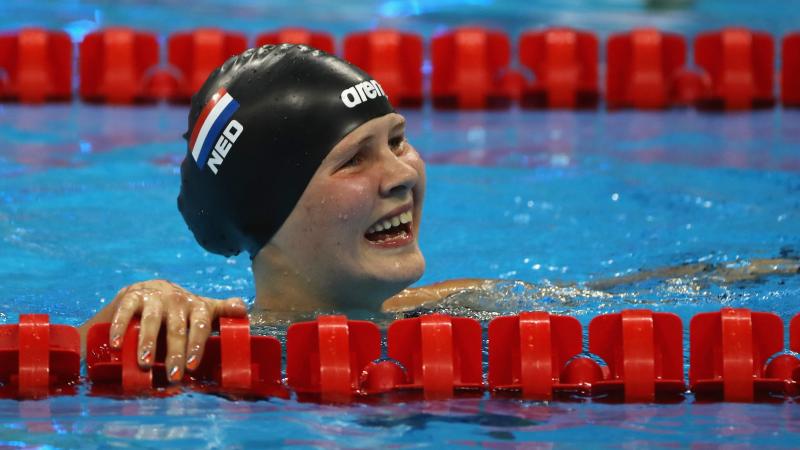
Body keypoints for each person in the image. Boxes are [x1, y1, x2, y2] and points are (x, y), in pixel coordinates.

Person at [78, 44, 800, 383]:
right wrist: (149, 305)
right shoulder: (215, 350)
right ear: (272, 209)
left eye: (398, 141)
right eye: (355, 158)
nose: (403, 176)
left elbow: (649, 294)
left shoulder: (461, 311)